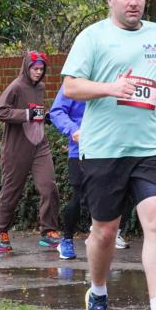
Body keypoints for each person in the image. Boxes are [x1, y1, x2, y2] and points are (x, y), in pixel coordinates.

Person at [62, 0, 156, 310]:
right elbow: (70, 88)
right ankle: (98, 292)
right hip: (105, 148)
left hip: (151, 145)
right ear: (111, 0)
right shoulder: (92, 36)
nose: (134, 3)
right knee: (105, 231)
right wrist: (110, 88)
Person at [0, 51, 61, 251]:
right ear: (26, 68)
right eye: (35, 68)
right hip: (16, 148)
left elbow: (35, 113)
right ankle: (1, 231)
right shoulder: (16, 86)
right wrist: (27, 114)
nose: (38, 72)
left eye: (41, 69)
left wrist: (44, 116)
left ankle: (48, 231)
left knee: (48, 186)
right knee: (11, 191)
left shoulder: (41, 87)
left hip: (40, 145)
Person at [49, 85, 130, 260]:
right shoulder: (75, 81)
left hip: (110, 148)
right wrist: (73, 130)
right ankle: (67, 240)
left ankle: (101, 234)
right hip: (81, 149)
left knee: (117, 193)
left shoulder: (113, 80)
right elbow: (56, 111)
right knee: (79, 196)